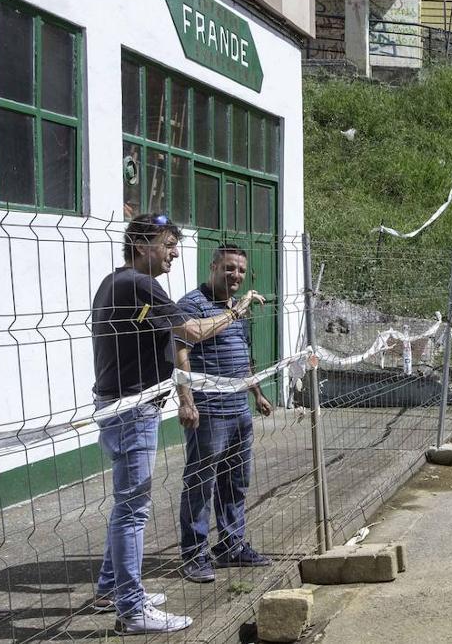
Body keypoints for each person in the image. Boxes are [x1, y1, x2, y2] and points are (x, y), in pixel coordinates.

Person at [90, 214, 262, 635]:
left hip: (126, 406)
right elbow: (189, 332)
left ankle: (112, 588)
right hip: (133, 411)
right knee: (134, 510)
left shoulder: (118, 283)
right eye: (167, 244)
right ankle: (131, 610)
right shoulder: (139, 284)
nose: (174, 253)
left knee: (127, 507)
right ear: (143, 244)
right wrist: (235, 312)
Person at [177, 244, 272, 583]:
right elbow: (181, 352)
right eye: (229, 268)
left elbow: (242, 355)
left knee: (236, 482)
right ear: (213, 267)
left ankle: (231, 545)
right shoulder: (192, 304)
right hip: (209, 412)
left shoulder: (235, 306)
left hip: (238, 411)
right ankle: (194, 554)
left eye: (241, 271)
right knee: (200, 484)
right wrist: (186, 401)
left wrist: (257, 394)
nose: (235, 276)